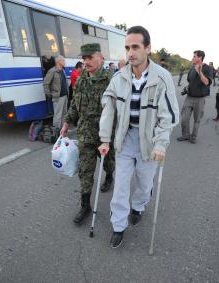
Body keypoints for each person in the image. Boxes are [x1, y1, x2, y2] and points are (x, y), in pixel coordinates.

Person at [98, 26, 179, 248]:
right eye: (127, 48)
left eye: (135, 47)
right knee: (121, 185)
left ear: (147, 48)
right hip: (124, 138)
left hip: (149, 141)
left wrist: (161, 143)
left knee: (144, 183)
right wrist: (105, 139)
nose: (130, 52)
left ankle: (139, 206)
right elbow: (108, 108)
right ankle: (118, 226)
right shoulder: (119, 77)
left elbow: (169, 117)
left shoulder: (162, 78)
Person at [60, 43, 115, 225]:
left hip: (105, 136)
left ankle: (109, 175)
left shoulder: (111, 80)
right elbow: (75, 104)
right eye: (84, 58)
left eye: (90, 57)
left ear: (101, 58)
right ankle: (85, 205)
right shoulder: (82, 79)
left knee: (108, 162)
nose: (86, 61)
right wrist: (67, 122)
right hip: (85, 134)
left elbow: (120, 109)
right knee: (85, 171)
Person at [177, 50, 212, 144]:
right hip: (189, 97)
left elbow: (206, 82)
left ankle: (193, 137)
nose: (192, 58)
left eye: (194, 56)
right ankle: (185, 135)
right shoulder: (192, 68)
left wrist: (199, 72)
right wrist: (185, 89)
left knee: (197, 119)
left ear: (200, 58)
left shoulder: (207, 68)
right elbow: (190, 82)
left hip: (200, 99)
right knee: (184, 118)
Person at [43, 55, 68, 131]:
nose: (64, 62)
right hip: (58, 97)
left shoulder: (62, 71)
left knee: (64, 115)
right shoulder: (52, 71)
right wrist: (49, 94)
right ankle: (56, 132)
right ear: (58, 62)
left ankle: (63, 130)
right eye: (63, 60)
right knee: (58, 116)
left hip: (65, 96)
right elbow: (46, 84)